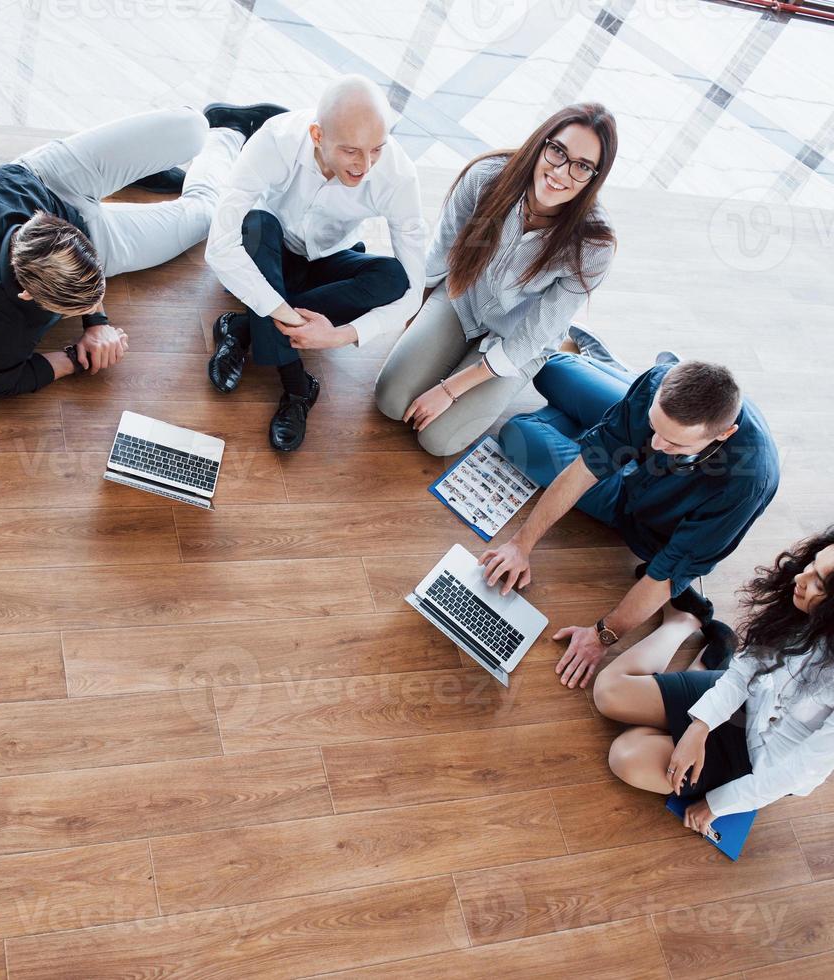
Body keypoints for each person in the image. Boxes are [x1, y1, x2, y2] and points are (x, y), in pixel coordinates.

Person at [480, 346, 780, 689]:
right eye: (654, 427)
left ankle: (595, 418)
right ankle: (616, 406)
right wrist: (521, 544)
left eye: (674, 443)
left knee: (518, 432)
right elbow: (585, 469)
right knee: (551, 368)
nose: (655, 444)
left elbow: (666, 575)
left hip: (638, 512)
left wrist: (601, 636)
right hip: (631, 442)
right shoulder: (658, 384)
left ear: (722, 434)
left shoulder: (746, 485)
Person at [0, 101, 286, 397]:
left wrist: (96, 315)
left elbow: (78, 256)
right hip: (93, 234)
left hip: (43, 178)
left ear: (49, 225)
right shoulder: (7, 322)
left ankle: (146, 165)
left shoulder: (7, 194)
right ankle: (230, 131)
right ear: (31, 296)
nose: (94, 304)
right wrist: (78, 354)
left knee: (193, 126)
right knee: (206, 215)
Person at [590, 528, 834, 838]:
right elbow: (745, 671)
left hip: (756, 762)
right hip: (743, 699)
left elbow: (799, 772)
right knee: (608, 692)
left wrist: (717, 805)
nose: (800, 578)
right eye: (812, 564)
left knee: (626, 756)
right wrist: (699, 726)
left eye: (818, 582)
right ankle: (684, 623)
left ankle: (707, 659)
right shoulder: (799, 608)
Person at [374, 103, 617, 457]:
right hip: (462, 302)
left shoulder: (593, 246)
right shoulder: (484, 177)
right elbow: (438, 257)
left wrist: (449, 389)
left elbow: (531, 336)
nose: (561, 172)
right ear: (542, 143)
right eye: (558, 151)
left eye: (581, 167)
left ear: (594, 177)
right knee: (391, 400)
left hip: (518, 340)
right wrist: (410, 322)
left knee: (437, 440)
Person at [205, 75, 427, 452]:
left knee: (392, 277)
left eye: (377, 148)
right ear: (317, 135)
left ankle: (242, 328)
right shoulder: (276, 141)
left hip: (328, 256)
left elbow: (413, 292)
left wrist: (339, 335)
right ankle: (297, 386)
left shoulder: (397, 175)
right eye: (352, 151)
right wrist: (290, 318)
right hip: (271, 250)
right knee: (256, 223)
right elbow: (219, 247)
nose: (366, 165)